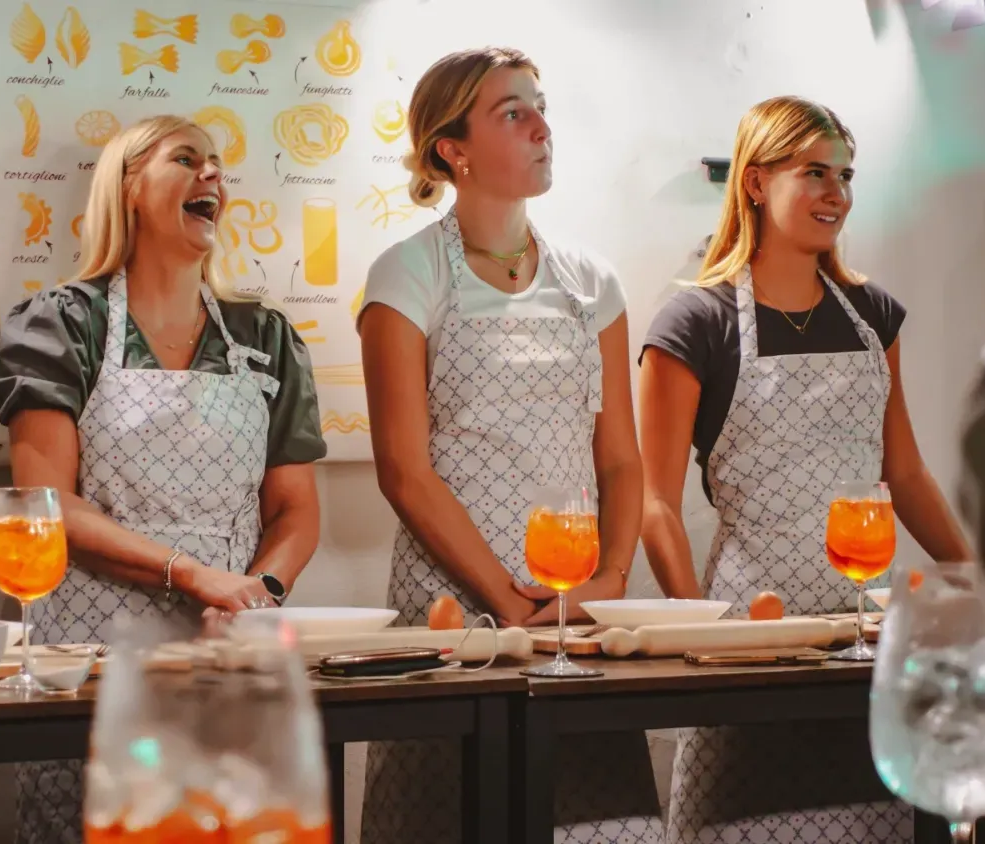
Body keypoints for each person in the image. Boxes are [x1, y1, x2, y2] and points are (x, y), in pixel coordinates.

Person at [640, 95, 973, 842]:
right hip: (751, 647)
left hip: (871, 644)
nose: (836, 194)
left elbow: (907, 473)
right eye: (814, 172)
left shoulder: (872, 312)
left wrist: (979, 583)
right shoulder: (694, 321)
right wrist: (701, 635)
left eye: (845, 175)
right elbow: (654, 501)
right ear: (755, 183)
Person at [0, 115, 326, 842]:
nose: (214, 176)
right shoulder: (62, 325)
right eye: (187, 159)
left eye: (219, 166)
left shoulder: (265, 338)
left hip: (223, 657)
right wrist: (192, 573)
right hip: (90, 658)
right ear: (130, 189)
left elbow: (296, 512)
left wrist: (256, 594)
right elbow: (46, 507)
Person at [356, 47, 662, 843]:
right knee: (454, 817)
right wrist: (506, 602)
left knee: (595, 819)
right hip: (453, 609)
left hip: (575, 610)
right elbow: (404, 472)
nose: (542, 128)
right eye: (513, 113)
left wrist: (609, 579)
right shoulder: (405, 275)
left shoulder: (591, 279)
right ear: (451, 150)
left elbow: (621, 458)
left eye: (540, 107)